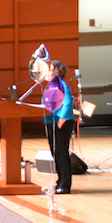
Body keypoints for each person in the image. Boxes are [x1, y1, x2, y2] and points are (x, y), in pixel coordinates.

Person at [44, 60, 75, 194]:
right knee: (56, 154)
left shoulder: (62, 85)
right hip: (52, 122)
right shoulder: (51, 86)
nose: (47, 72)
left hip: (62, 123)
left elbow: (68, 104)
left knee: (61, 154)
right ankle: (60, 182)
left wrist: (60, 122)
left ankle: (64, 185)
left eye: (49, 70)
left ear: (56, 72)